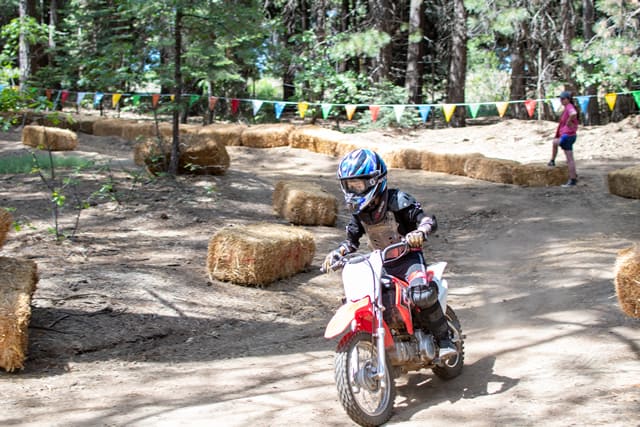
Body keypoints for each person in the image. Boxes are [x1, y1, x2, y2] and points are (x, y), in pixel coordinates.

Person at [322, 148, 456, 359]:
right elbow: (351, 241)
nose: (354, 190)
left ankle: (445, 340)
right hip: (381, 264)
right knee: (364, 298)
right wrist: (338, 252)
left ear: (375, 180)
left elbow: (426, 219)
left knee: (421, 293)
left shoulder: (397, 200)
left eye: (358, 184)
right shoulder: (359, 213)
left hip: (408, 259)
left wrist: (420, 231)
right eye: (350, 185)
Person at [548, 90, 579, 187]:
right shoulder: (566, 108)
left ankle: (572, 179)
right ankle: (552, 160)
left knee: (569, 159)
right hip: (569, 135)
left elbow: (573, 113)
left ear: (568, 99)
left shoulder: (569, 107)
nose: (561, 100)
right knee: (555, 142)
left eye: (563, 99)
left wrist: (569, 121)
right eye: (560, 98)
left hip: (568, 135)